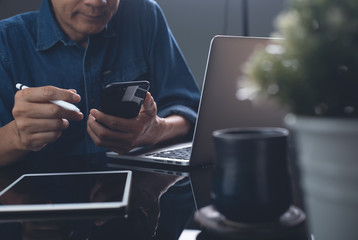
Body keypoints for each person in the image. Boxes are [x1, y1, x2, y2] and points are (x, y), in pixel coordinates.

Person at [0, 0, 201, 166]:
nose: (98, 2)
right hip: (40, 201)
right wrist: (17, 137)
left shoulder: (145, 15)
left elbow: (189, 108)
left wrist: (157, 129)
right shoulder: (6, 40)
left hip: (138, 196)